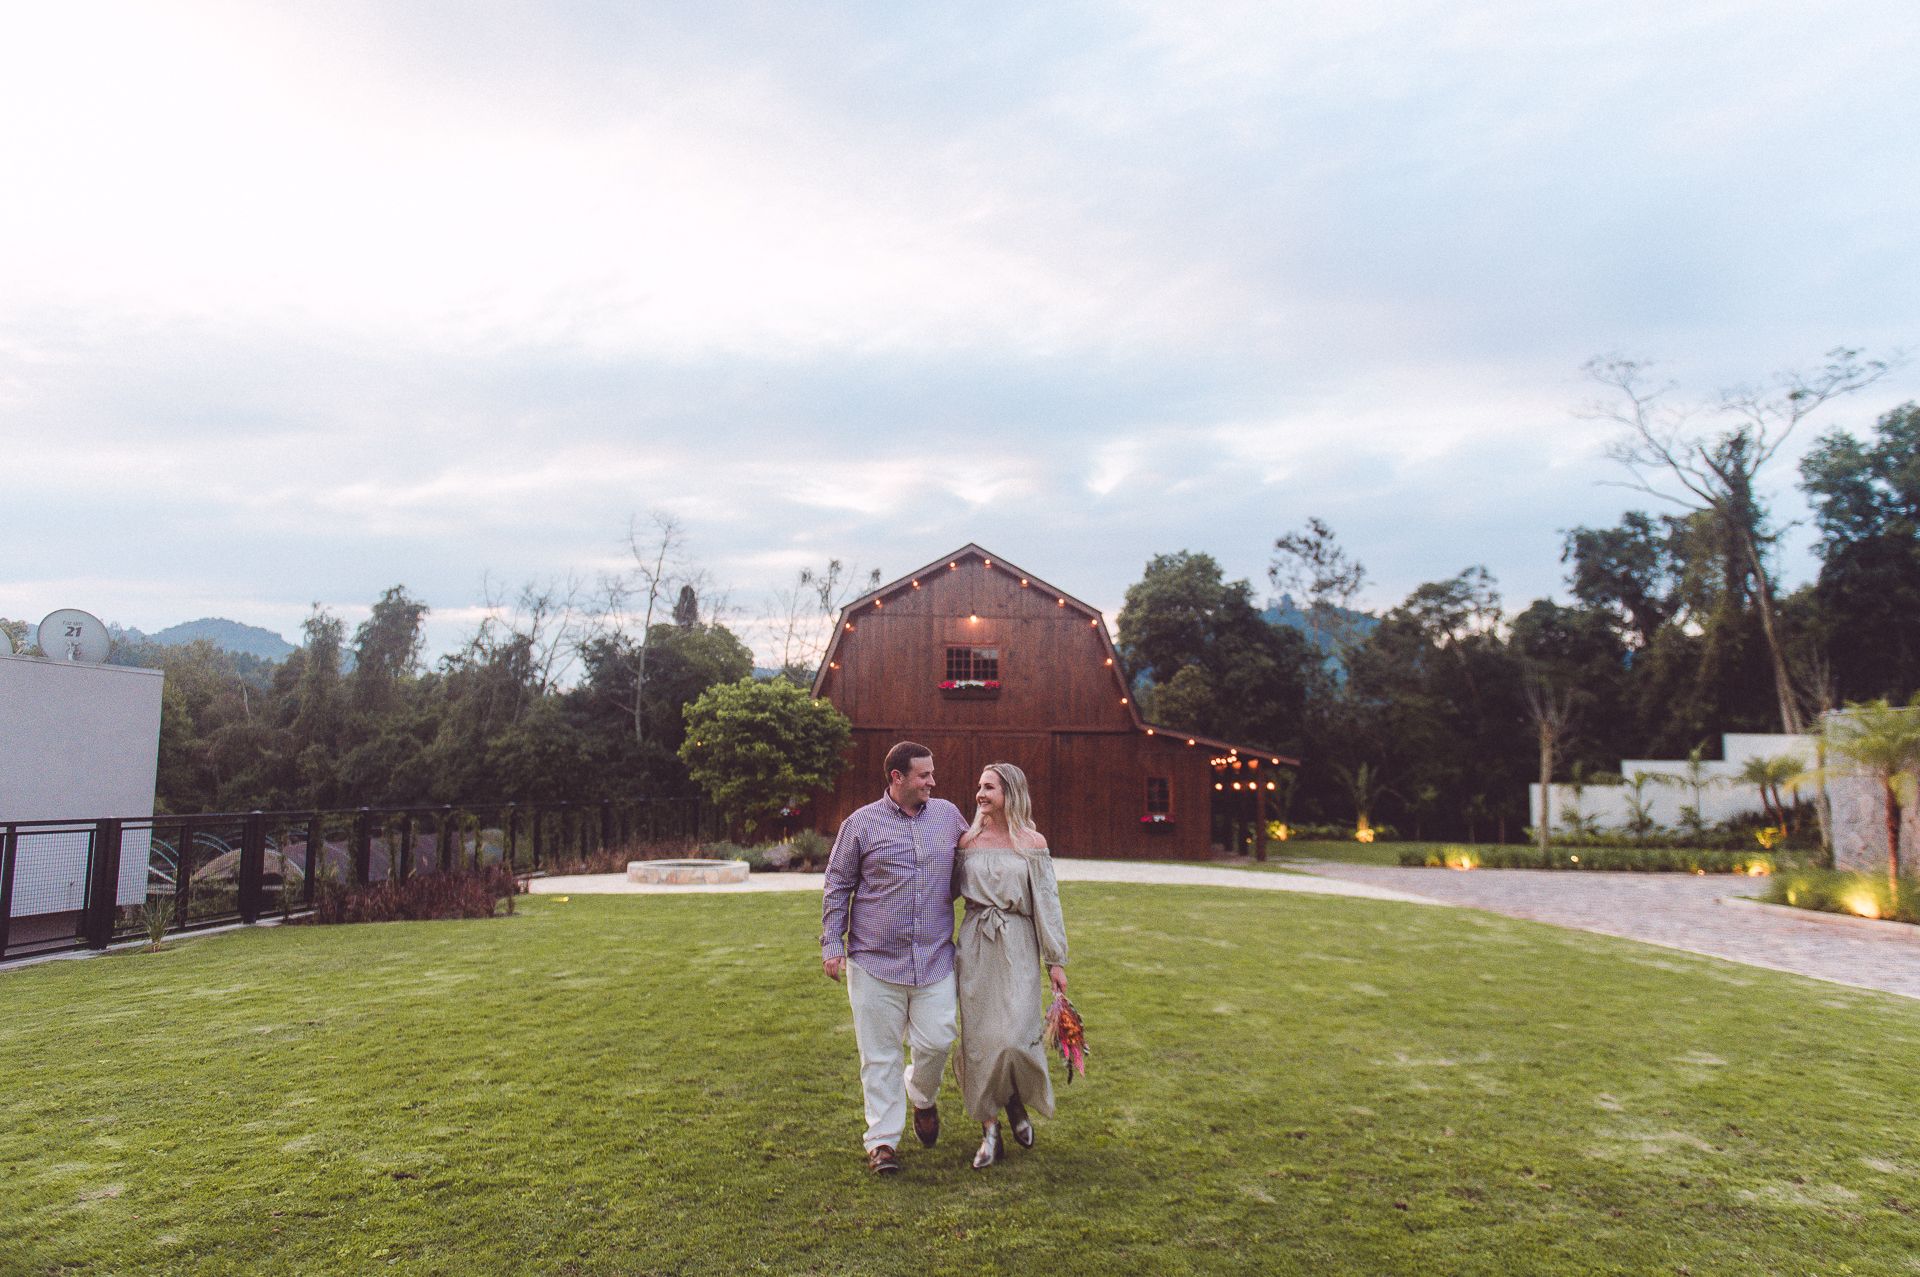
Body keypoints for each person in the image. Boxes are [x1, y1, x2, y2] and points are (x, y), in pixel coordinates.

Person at [821, 740, 969, 1175]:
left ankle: (921, 1095)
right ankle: (882, 1143)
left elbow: (972, 862)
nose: (932, 781)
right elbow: (837, 885)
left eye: (932, 773)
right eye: (924, 775)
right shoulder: (861, 825)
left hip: (935, 958)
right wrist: (833, 944)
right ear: (897, 777)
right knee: (879, 1054)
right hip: (873, 961)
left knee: (939, 1040)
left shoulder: (947, 816)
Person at [953, 761, 1068, 1170]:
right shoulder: (967, 841)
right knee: (980, 1041)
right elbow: (941, 893)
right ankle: (989, 1130)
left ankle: (1016, 1099)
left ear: (1010, 794)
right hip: (975, 945)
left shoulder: (1031, 842)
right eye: (979, 786)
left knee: (1017, 1037)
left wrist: (1055, 960)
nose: (981, 794)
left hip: (1018, 943)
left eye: (990, 788)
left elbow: (1048, 902)